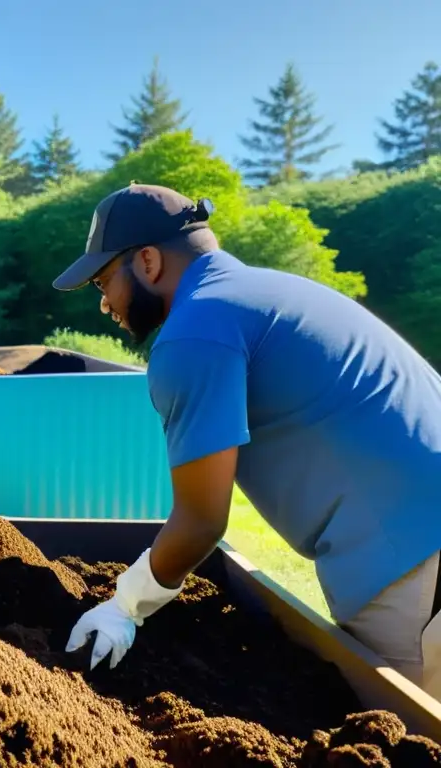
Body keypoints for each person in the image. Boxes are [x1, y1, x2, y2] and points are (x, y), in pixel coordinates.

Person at [53, 183, 441, 698]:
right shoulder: (268, 292)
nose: (104, 304)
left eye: (104, 281)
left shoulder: (194, 333)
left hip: (412, 554)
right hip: (420, 534)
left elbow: (201, 520)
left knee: (401, 731)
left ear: (146, 261)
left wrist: (125, 606)